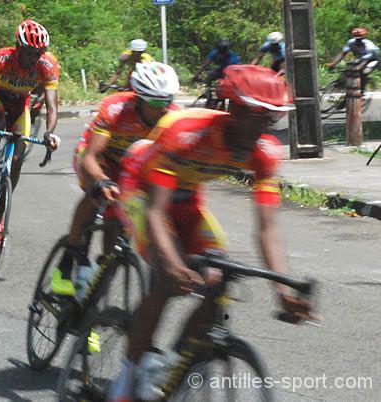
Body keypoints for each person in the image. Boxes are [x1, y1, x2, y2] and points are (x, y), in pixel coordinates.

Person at [107, 65, 316, 401]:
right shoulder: (187, 131)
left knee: (217, 278)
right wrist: (174, 263)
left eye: (271, 117)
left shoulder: (264, 153)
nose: (261, 125)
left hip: (187, 199)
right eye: (254, 114)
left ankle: (175, 363)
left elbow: (266, 229)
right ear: (231, 108)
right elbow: (157, 213)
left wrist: (282, 289)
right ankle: (129, 375)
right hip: (142, 191)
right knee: (166, 275)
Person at [51, 62, 181, 296]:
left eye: (167, 100)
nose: (163, 108)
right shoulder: (115, 108)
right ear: (139, 98)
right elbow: (91, 157)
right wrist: (101, 181)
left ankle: (98, 283)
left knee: (118, 221)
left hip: (132, 165)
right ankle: (69, 257)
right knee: (97, 195)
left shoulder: (173, 117)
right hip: (99, 157)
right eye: (156, 102)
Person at [0, 19, 60, 245]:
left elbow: (53, 106)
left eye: (40, 52)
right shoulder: (0, 57)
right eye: (30, 52)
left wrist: (49, 133)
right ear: (18, 48)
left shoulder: (47, 65)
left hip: (20, 106)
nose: (35, 58)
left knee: (17, 160)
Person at [326, 27, 379, 94]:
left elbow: (364, 61)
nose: (358, 40)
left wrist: (357, 69)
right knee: (347, 70)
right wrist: (333, 63)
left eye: (360, 39)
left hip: (372, 60)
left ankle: (361, 90)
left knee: (363, 72)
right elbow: (342, 54)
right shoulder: (351, 42)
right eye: (356, 38)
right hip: (361, 58)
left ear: (363, 38)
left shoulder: (369, 47)